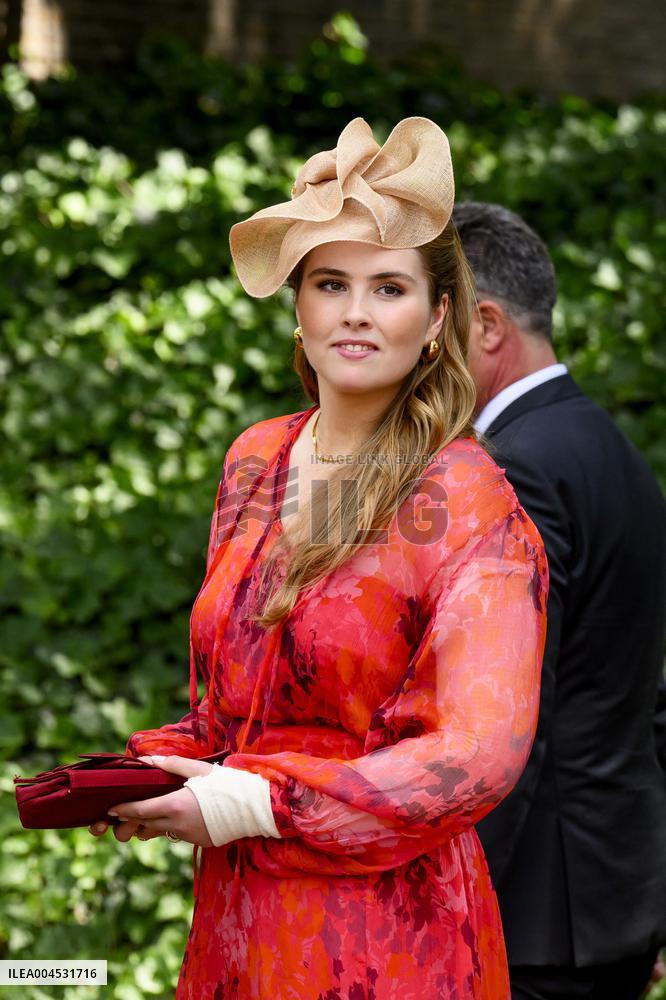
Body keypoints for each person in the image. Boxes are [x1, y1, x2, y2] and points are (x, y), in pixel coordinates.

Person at [89, 120, 548, 999]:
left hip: (387, 935)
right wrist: (149, 772)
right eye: (331, 284)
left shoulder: (467, 496)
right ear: (298, 309)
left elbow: (476, 755)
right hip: (240, 917)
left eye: (389, 288)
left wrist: (249, 803)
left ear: (438, 316)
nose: (357, 312)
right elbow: (237, 704)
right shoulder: (255, 458)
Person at [452, 200, 666, 1000]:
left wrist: (465, 906)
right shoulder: (613, 451)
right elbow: (647, 701)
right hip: (612, 900)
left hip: (535, 911)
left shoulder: (515, 468)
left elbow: (515, 721)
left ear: (486, 325)